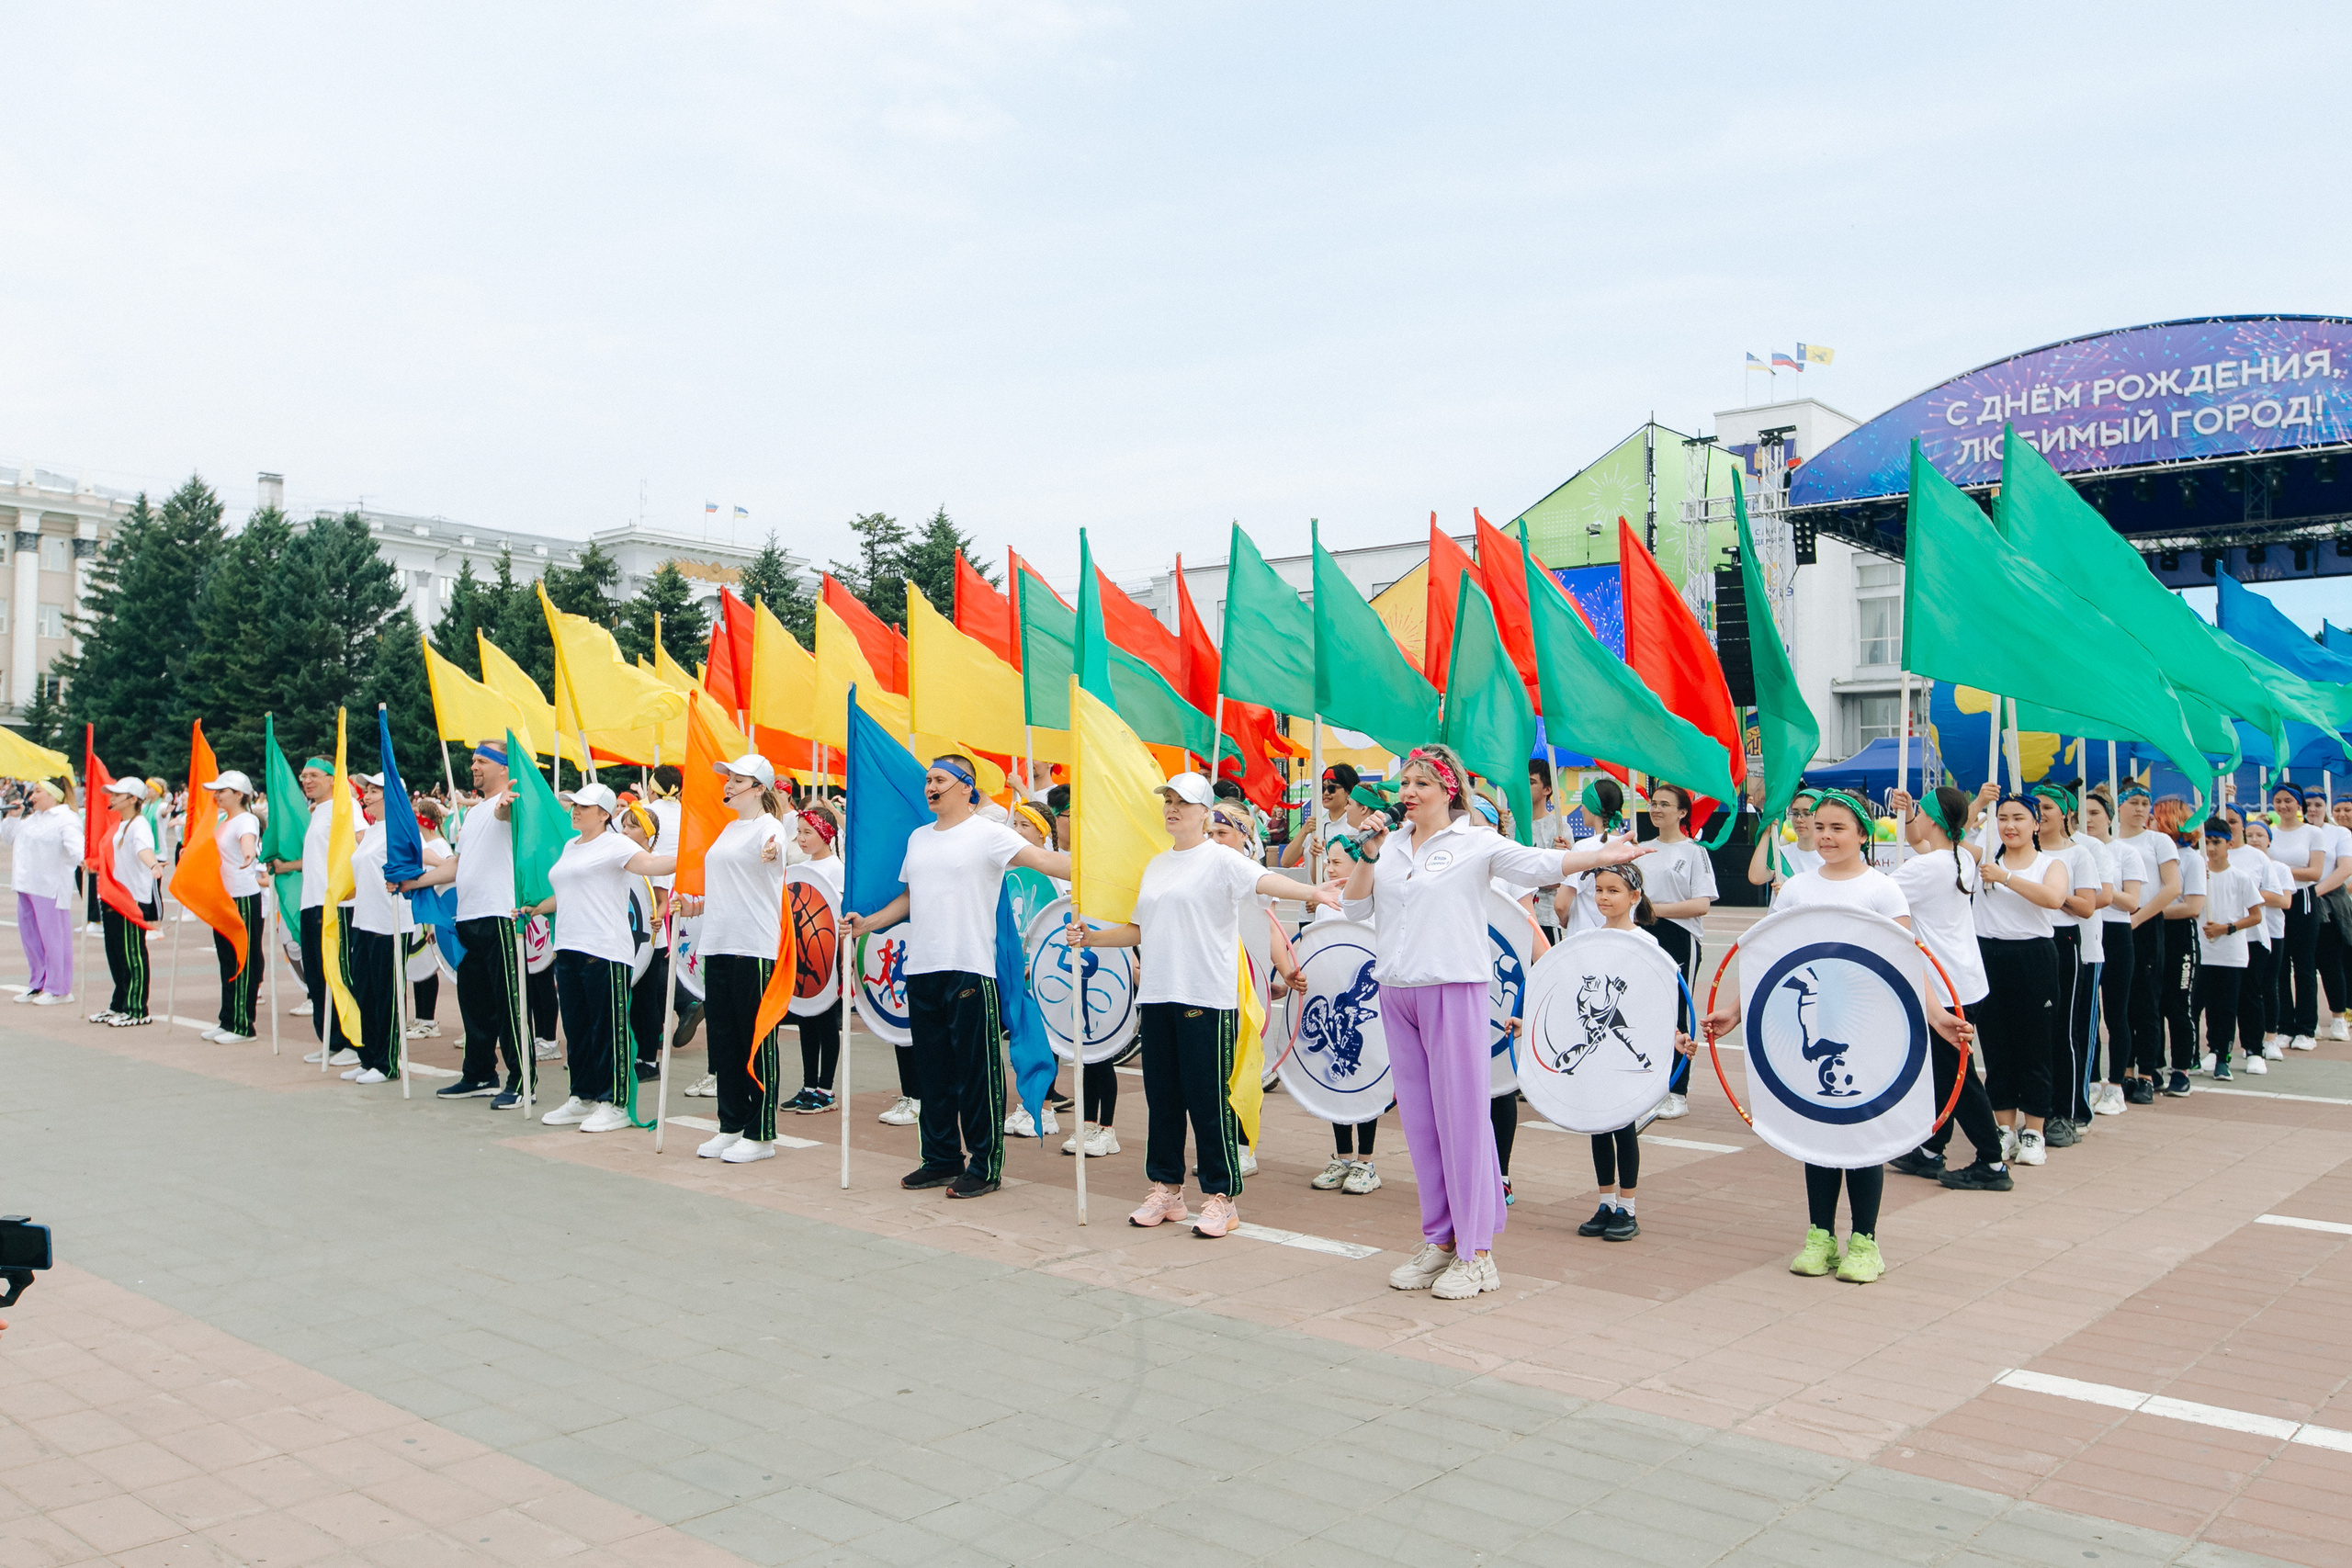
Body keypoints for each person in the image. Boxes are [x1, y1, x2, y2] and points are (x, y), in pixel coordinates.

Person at [1343, 742, 1651, 1303]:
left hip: (1453, 988)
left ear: (1449, 791)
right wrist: (1367, 853)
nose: (1408, 793)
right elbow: (1356, 909)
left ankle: (1478, 1252)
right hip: (1398, 990)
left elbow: (1540, 864)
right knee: (1420, 1123)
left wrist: (1599, 852)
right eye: (1404, 783)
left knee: (1462, 1119)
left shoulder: (1475, 843)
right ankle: (1440, 1239)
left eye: (1421, 784)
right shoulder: (1389, 847)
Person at [1702, 789, 1973, 1283]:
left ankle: (1865, 1242)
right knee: (1816, 1130)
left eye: (1837, 828)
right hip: (1811, 1020)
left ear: (1863, 834)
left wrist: (1937, 1017)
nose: (1825, 836)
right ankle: (1820, 1235)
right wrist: (1736, 1012)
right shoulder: (1796, 890)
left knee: (1859, 1130)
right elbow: (1768, 957)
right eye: (1819, 827)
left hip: (1866, 1028)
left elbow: (1906, 963)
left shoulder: (1882, 891)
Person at [1072, 773, 1340, 1238]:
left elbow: (1265, 878)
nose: (1172, 808)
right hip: (1158, 996)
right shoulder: (1156, 865)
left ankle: (1221, 1196)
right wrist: (1094, 938)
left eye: (1183, 802)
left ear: (1205, 812)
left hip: (1207, 999)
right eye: (1168, 801)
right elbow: (1141, 929)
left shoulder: (1221, 860)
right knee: (1163, 1099)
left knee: (1208, 1101)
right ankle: (1167, 1190)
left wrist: (1314, 892)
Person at [847, 753, 1072, 1200]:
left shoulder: (990, 835)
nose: (929, 787)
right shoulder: (918, 838)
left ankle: (985, 1166)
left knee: (976, 1073)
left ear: (965, 786)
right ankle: (940, 1158)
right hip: (923, 968)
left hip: (970, 967)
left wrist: (1103, 867)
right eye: (927, 780)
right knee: (931, 1072)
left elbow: (1049, 864)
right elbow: (910, 898)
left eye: (939, 779)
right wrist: (869, 923)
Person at [530, 783, 680, 1133]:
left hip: (605, 950)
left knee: (607, 1028)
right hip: (568, 947)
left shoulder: (617, 844)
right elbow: (566, 893)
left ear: (604, 814)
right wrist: (534, 907)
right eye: (574, 805)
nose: (575, 810)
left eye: (584, 806)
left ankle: (614, 1102)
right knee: (577, 1027)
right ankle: (582, 1096)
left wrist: (694, 852)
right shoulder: (571, 846)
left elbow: (652, 864)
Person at [1883, 785, 2009, 1190]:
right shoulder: (1960, 858)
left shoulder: (1929, 867)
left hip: (1945, 988)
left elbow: (1874, 895)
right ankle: (1931, 1149)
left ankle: (1992, 1163)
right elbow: (1919, 842)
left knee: (1959, 1077)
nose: (1914, 818)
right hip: (1965, 981)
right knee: (1942, 1072)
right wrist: (1905, 816)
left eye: (1919, 811)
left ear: (1934, 820)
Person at [398, 744, 528, 1107]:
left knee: (508, 1004)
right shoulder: (474, 813)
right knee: (474, 1003)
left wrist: (506, 806)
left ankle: (522, 1081)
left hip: (501, 915)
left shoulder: (512, 800)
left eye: (482, 761)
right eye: (472, 760)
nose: (473, 766)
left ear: (504, 767)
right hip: (468, 918)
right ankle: (480, 1073)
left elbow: (510, 816)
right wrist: (413, 883)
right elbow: (457, 864)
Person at [675, 755, 790, 1163]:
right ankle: (730, 1125)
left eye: (737, 780)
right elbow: (726, 887)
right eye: (728, 779)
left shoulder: (768, 826)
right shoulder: (727, 829)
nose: (728, 786)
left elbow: (774, 852)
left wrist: (774, 850)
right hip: (718, 943)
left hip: (754, 946)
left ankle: (761, 1134)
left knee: (755, 1041)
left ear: (759, 788)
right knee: (723, 1043)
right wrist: (693, 905)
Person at [1973, 794, 2071, 1162]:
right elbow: (1929, 838)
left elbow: (2053, 898)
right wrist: (1979, 801)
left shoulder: (2051, 863)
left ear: (2036, 824)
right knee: (1997, 1046)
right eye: (2002, 818)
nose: (2009, 825)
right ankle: (2004, 1128)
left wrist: (2007, 877)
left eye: (2018, 818)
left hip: (2033, 957)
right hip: (1989, 955)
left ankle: (2034, 1132)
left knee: (2035, 1045)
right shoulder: (1984, 858)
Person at [1571, 864, 1667, 1241]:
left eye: (1613, 890)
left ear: (1634, 897)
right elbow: (1574, 991)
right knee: (1598, 1125)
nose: (1604, 897)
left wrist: (1670, 1039)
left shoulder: (1646, 944)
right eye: (1599, 890)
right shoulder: (1587, 940)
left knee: (1623, 1126)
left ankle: (1628, 1208)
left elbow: (1657, 1000)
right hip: (1597, 1049)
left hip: (1627, 1050)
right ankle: (1605, 1201)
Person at [2030, 784, 2106, 1144]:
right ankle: (2035, 1111)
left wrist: (2052, 896)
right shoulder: (2021, 852)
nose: (2041, 813)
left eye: (2048, 807)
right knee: (2033, 1033)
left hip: (2064, 940)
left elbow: (2088, 906)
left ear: (2064, 813)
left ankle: (2069, 1111)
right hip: (2027, 942)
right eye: (2036, 807)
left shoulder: (2079, 855)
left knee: (2065, 1031)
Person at [1637, 782, 1715, 1122]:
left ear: (1682, 812)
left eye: (1665, 804)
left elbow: (1701, 904)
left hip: (1679, 937)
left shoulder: (1694, 852)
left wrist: (1656, 910)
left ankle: (1677, 1091)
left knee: (1677, 1012)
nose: (1656, 809)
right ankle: (1650, 1085)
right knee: (1645, 1010)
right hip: (1642, 934)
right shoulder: (1641, 849)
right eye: (1654, 803)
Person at [2079, 786, 2143, 1116]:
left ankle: (2116, 1085)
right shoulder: (2075, 849)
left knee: (2116, 1014)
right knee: (2088, 1016)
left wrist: (2102, 887)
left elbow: (2132, 902)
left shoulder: (2125, 852)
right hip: (2084, 931)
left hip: (2116, 931)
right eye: (2083, 813)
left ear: (2108, 817)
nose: (2088, 820)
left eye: (2094, 813)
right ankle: (2089, 1080)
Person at [2116, 785, 2181, 1100]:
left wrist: (2140, 918)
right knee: (2120, 1003)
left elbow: (2171, 887)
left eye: (2145, 803)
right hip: (2116, 923)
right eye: (2133, 802)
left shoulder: (2158, 841)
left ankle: (2146, 1072)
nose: (2140, 809)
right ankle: (2124, 1071)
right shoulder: (2111, 843)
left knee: (2147, 1002)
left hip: (2146, 920)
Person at [2, 776, 82, 1006]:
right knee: (31, 939)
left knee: (54, 939)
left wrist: (84, 860)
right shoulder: (31, 819)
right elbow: (9, 837)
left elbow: (76, 845)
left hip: (49, 887)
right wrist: (12, 818)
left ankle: (59, 989)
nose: (32, 796)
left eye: (37, 791)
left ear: (53, 794)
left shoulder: (66, 818)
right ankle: (38, 983)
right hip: (26, 885)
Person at [786, 803, 845, 1112]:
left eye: (807, 832)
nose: (801, 838)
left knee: (825, 1022)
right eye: (798, 832)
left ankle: (826, 1090)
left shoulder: (837, 870)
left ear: (826, 834)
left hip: (827, 959)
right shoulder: (801, 869)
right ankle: (808, 1085)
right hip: (801, 956)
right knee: (805, 1020)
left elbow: (841, 914)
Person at [200, 771, 266, 1043]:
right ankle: (228, 1019)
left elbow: (248, 841)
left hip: (243, 898)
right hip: (224, 898)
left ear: (239, 794)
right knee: (227, 960)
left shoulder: (246, 819)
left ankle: (243, 1024)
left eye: (221, 791)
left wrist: (249, 853)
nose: (216, 796)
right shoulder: (222, 822)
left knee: (243, 960)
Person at [2194, 821, 2261, 1081]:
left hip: (2230, 953)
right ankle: (2193, 1054)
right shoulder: (2200, 874)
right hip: (2203, 952)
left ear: (2229, 844)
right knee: (2196, 1005)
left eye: (2216, 842)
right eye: (2206, 842)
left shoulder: (2240, 877)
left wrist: (2227, 928)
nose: (2210, 848)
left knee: (2226, 1007)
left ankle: (2223, 1057)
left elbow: (2255, 916)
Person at [94, 777, 163, 1026]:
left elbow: (143, 850)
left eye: (117, 795)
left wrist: (153, 864)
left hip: (132, 899)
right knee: (115, 953)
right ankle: (119, 1004)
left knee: (132, 954)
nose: (111, 798)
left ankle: (137, 1009)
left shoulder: (138, 825)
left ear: (133, 799)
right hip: (112, 896)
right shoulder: (119, 825)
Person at [2266, 784, 2329, 1053]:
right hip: (2276, 902)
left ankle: (2306, 1028)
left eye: (2288, 801)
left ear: (2299, 804)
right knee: (2278, 965)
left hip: (2303, 901)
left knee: (2303, 965)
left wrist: (2280, 871)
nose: (2282, 806)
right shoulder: (2269, 831)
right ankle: (2284, 1025)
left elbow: (2315, 872)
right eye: (2278, 801)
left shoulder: (2313, 833)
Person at [2237, 815, 2291, 1069]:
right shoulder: (2240, 862)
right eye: (2251, 835)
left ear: (2270, 841)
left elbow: (2284, 900)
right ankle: (2245, 1042)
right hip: (2246, 932)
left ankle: (2271, 1038)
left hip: (2272, 932)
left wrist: (2245, 892)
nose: (2255, 840)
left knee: (2269, 985)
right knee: (2248, 987)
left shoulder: (2279, 868)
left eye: (2261, 836)